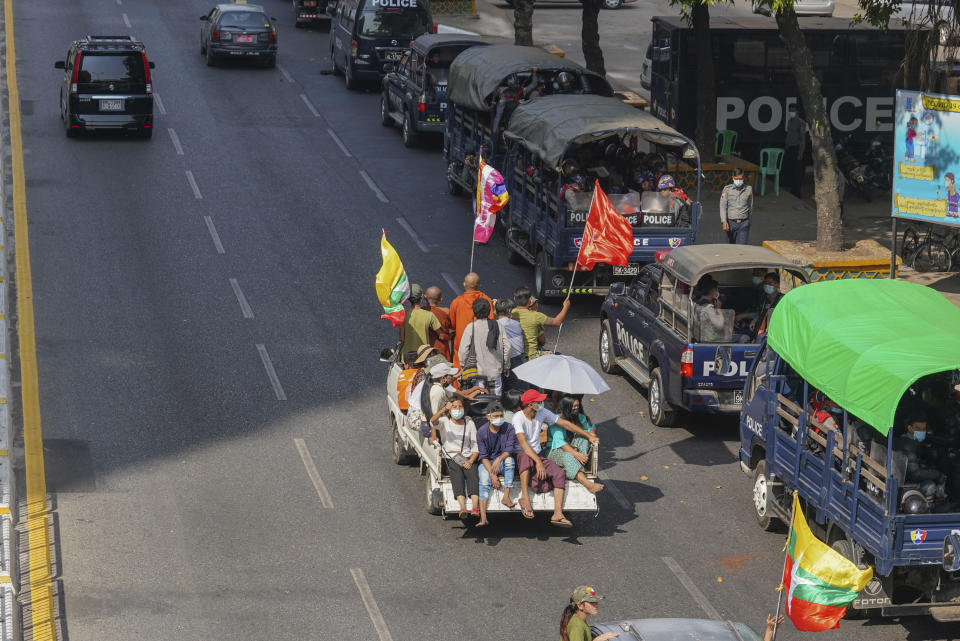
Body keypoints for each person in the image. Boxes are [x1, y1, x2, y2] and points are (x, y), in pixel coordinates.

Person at [512, 389, 597, 526]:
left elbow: (565, 424)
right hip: (522, 454)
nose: (542, 403)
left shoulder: (541, 412)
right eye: (539, 401)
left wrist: (588, 436)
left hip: (537, 454)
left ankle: (557, 513)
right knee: (525, 456)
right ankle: (525, 497)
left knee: (559, 473)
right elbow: (523, 444)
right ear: (530, 404)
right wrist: (538, 462)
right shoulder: (518, 417)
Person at [429, 398, 480, 519]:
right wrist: (443, 409)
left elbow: (476, 446)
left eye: (460, 407)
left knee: (473, 476)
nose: (457, 409)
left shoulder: (469, 423)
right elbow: (432, 421)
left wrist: (471, 461)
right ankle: (462, 507)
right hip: (452, 458)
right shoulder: (444, 422)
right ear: (449, 410)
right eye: (454, 407)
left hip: (468, 457)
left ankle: (474, 507)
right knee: (457, 477)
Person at [546, 396, 604, 493]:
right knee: (569, 456)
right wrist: (576, 454)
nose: (576, 409)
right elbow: (560, 442)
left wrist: (592, 434)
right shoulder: (556, 421)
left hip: (574, 449)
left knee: (583, 437)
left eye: (577, 406)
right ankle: (587, 484)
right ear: (566, 407)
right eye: (573, 407)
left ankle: (578, 461)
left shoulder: (579, 417)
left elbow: (590, 428)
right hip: (553, 450)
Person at [475, 400, 518, 526]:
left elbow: (508, 450)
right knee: (484, 481)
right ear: (488, 417)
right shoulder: (482, 432)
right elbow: (483, 456)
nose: (499, 419)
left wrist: (499, 459)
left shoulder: (509, 428)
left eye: (501, 416)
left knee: (510, 460)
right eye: (495, 416)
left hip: (502, 461)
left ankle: (506, 496)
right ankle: (483, 517)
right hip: (487, 463)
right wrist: (493, 476)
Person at [458, 298, 511, 395]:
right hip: (495, 373)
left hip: (477, 374)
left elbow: (463, 351)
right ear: (490, 311)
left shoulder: (471, 327)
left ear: (474, 312)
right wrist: (506, 366)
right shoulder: (498, 325)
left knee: (479, 401)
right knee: (495, 403)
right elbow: (507, 347)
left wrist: (463, 365)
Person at [448, 273, 494, 369]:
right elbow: (491, 322)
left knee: (460, 370)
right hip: (481, 344)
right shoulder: (486, 300)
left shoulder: (456, 302)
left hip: (461, 344)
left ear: (464, 284)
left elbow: (452, 325)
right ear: (479, 285)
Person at [511, 286, 570, 359]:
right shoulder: (536, 316)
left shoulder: (510, 313)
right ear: (530, 300)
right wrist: (565, 307)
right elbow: (557, 322)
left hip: (514, 355)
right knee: (560, 357)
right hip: (531, 356)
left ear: (514, 299)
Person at [894, 411, 943, 484]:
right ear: (909, 428)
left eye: (924, 429)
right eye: (918, 429)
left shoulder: (909, 440)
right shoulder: (908, 446)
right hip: (907, 482)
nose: (922, 432)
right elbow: (915, 475)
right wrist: (937, 474)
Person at [398, 284, 441, 364]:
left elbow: (402, 338)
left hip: (407, 359)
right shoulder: (429, 315)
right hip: (424, 358)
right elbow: (441, 335)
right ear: (421, 297)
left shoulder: (403, 315)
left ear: (408, 299)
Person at [720, 167, 753, 245]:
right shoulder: (727, 189)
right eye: (736, 179)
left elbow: (750, 206)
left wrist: (749, 221)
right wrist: (724, 221)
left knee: (742, 248)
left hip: (744, 223)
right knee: (730, 247)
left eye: (740, 178)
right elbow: (723, 206)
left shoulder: (749, 189)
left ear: (743, 177)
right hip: (731, 223)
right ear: (733, 178)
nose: (739, 181)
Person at [694, 278, 729, 342]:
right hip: (710, 338)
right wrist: (718, 308)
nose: (718, 292)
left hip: (703, 335)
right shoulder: (708, 307)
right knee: (744, 337)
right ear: (712, 291)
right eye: (717, 290)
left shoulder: (697, 301)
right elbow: (720, 324)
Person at [784, 103, 807, 197]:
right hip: (789, 148)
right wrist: (786, 147)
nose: (791, 112)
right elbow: (789, 135)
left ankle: (797, 192)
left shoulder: (801, 122)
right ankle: (793, 189)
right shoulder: (790, 121)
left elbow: (802, 139)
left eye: (793, 111)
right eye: (790, 110)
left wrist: (801, 152)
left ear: (797, 111)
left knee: (797, 171)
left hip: (796, 148)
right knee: (790, 170)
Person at [424, 286, 454, 360]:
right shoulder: (446, 312)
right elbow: (452, 327)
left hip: (424, 351)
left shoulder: (421, 312)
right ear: (441, 299)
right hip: (441, 351)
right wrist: (451, 336)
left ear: (425, 297)